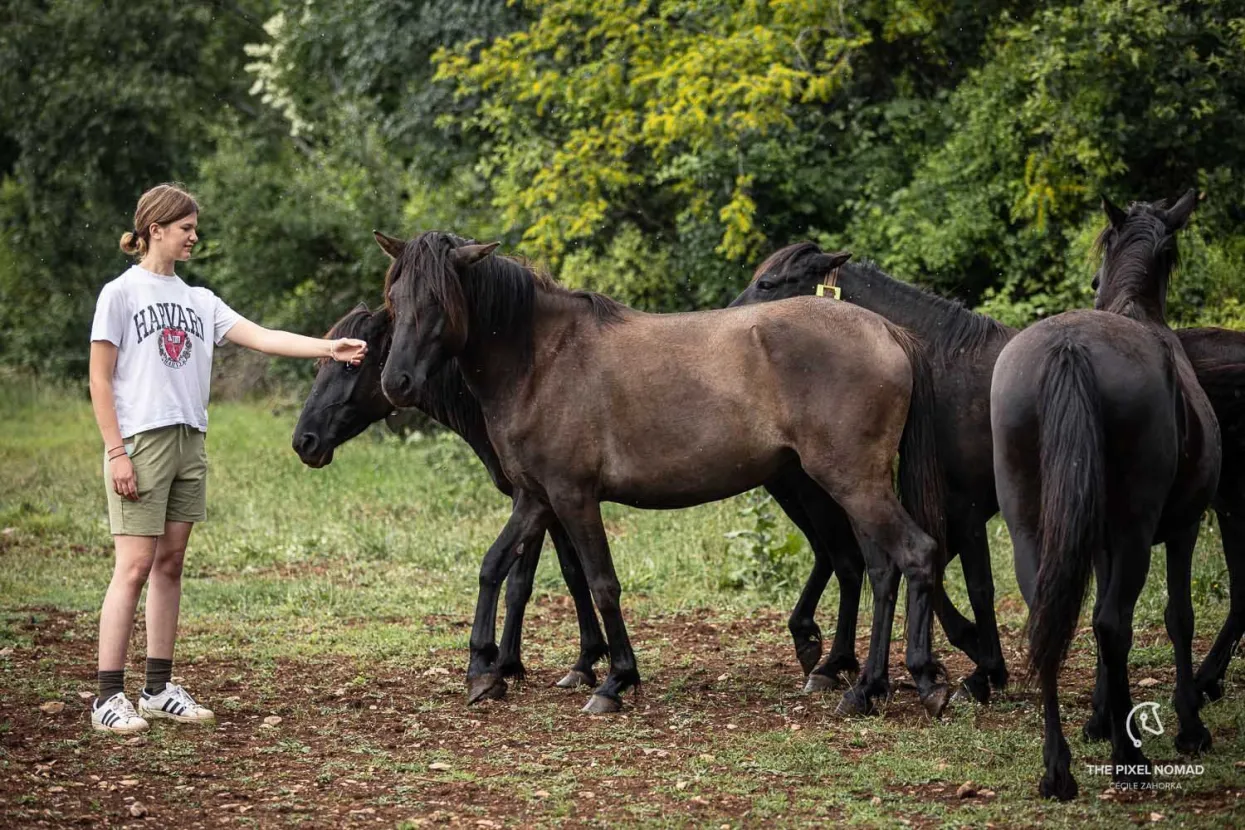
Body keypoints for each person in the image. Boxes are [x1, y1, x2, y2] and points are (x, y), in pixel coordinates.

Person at [88, 183, 367, 733]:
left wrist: (327, 347)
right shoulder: (119, 294)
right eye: (186, 227)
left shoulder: (200, 300)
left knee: (170, 563)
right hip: (141, 441)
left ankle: (158, 687)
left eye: (195, 227)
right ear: (155, 229)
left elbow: (262, 337)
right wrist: (116, 451)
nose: (195, 235)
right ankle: (106, 696)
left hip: (190, 439)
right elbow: (99, 378)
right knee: (134, 566)